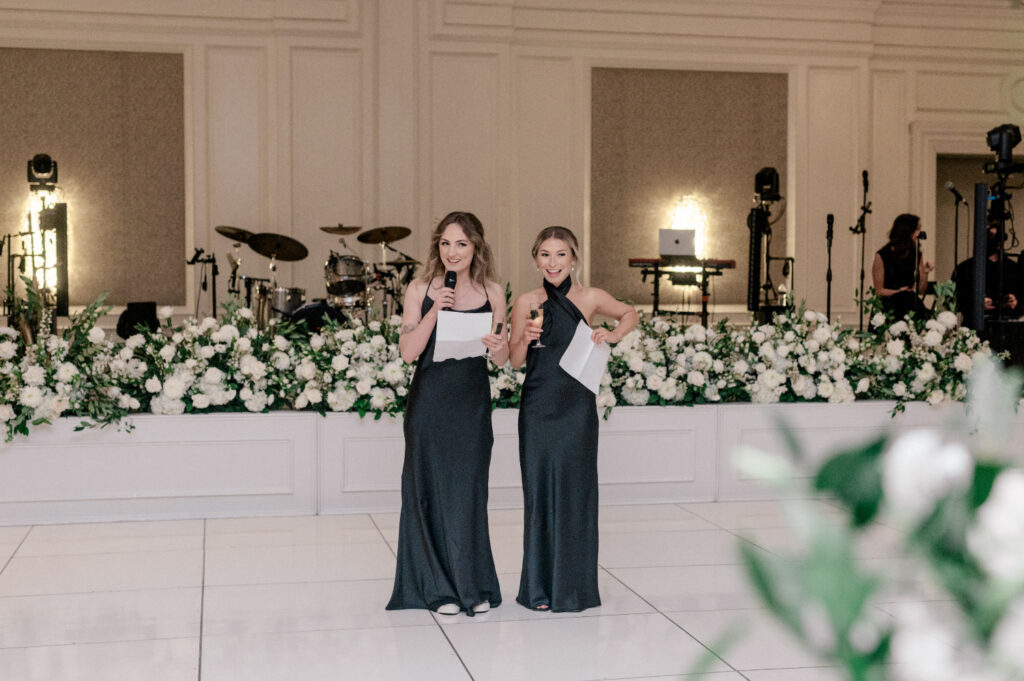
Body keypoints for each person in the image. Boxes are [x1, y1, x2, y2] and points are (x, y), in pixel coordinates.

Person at [509, 226, 638, 612]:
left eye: (560, 254)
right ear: (536, 259)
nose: (553, 263)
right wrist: (526, 338)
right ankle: (538, 588)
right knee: (538, 494)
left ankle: (574, 586)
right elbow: (515, 361)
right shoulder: (525, 301)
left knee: (576, 492)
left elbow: (630, 313)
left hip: (576, 408)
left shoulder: (591, 297)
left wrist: (612, 334)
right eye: (545, 255)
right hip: (537, 407)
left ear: (574, 258)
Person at [385, 211, 508, 616]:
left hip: (472, 404)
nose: (452, 252)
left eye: (461, 244)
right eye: (445, 243)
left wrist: (498, 345)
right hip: (430, 402)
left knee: (469, 493)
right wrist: (436, 310)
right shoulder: (419, 288)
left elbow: (504, 358)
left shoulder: (492, 290)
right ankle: (438, 588)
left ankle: (472, 584)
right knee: (430, 493)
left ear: (476, 247)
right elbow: (407, 352)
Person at [952, 220, 1023, 329]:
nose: (996, 243)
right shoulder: (966, 268)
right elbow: (956, 301)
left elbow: (1021, 301)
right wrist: (977, 304)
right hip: (975, 329)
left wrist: (1015, 302)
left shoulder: (1013, 269)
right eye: (991, 237)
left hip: (1007, 327)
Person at [871, 213, 933, 321]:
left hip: (908, 303)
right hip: (889, 304)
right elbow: (879, 290)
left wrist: (925, 273)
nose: (919, 233)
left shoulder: (916, 254)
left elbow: (921, 290)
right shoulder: (882, 255)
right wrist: (898, 292)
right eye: (916, 229)